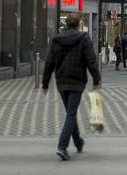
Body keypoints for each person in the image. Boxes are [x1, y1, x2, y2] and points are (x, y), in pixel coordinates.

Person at [42, 16, 100, 161]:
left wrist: (45, 83)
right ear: (79, 24)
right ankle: (62, 147)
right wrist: (96, 79)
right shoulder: (84, 39)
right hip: (77, 80)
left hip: (61, 80)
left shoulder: (57, 40)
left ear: (66, 25)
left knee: (70, 112)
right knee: (71, 113)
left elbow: (49, 62)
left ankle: (78, 142)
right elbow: (91, 60)